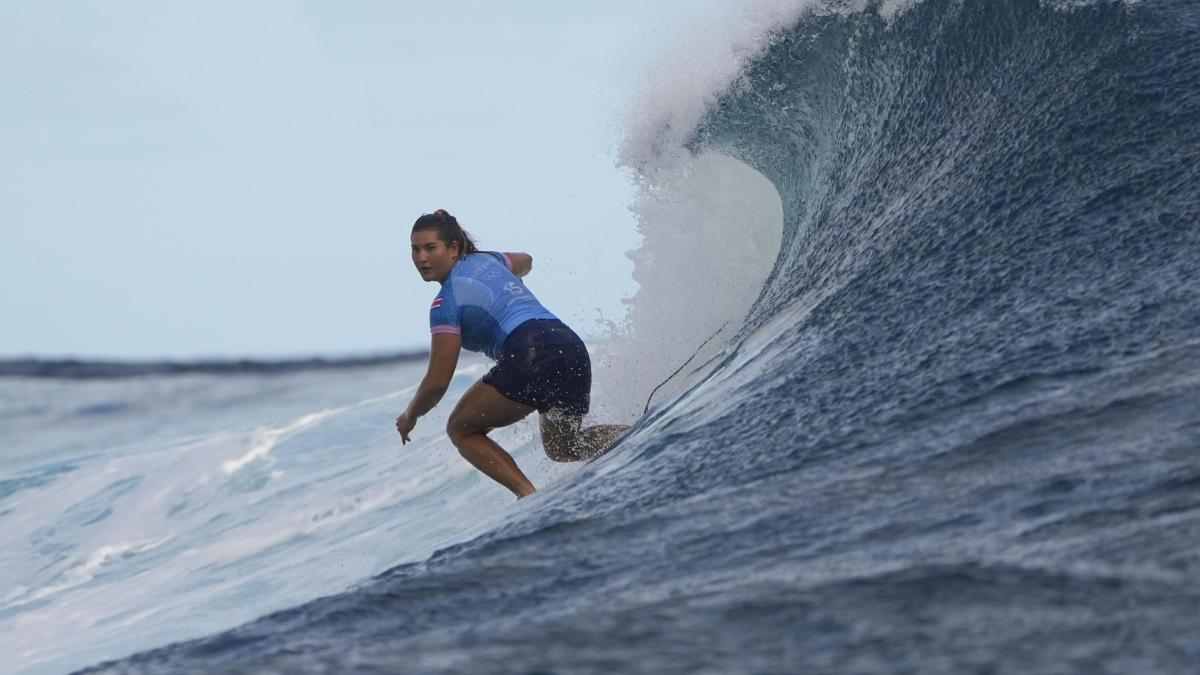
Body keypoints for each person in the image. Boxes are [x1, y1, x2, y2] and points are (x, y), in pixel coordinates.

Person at [395, 210, 628, 499]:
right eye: (415, 249)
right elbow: (526, 260)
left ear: (453, 249)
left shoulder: (445, 303)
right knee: (565, 447)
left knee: (460, 428)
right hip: (570, 346)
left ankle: (529, 498)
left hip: (529, 352)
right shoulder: (490, 260)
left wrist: (410, 416)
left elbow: (437, 382)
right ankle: (642, 433)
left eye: (431, 248)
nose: (421, 258)